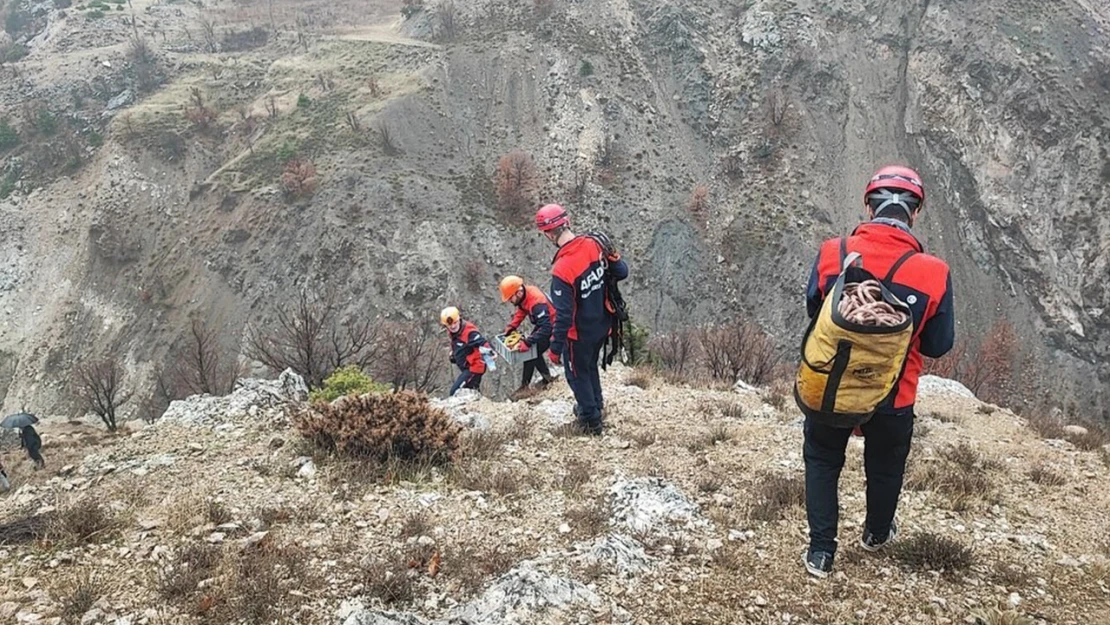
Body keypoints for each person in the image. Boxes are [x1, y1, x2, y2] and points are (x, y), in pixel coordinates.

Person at [800, 165, 955, 578]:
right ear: (915, 213)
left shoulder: (833, 252)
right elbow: (939, 345)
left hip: (833, 384)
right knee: (885, 465)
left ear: (868, 206)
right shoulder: (934, 272)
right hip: (894, 392)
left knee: (822, 458)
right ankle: (876, 534)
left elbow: (817, 312)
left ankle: (821, 552)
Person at [535, 204, 629, 435]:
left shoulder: (562, 269)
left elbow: (564, 316)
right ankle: (595, 404)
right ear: (568, 222)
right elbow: (622, 272)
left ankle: (591, 420)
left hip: (579, 334)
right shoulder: (594, 244)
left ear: (548, 233)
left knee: (576, 374)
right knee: (588, 367)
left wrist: (555, 349)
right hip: (602, 324)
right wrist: (614, 256)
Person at [499, 275, 557, 396]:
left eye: (510, 298)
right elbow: (522, 310)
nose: (510, 301)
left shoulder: (536, 302)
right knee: (533, 352)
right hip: (546, 325)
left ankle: (526, 386)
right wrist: (512, 326)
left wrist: (527, 342)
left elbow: (546, 328)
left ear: (518, 293)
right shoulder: (525, 295)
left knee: (530, 352)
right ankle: (547, 378)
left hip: (553, 327)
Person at [441, 306, 492, 397]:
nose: (453, 326)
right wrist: (454, 355)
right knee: (472, 389)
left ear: (459, 319)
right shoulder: (454, 332)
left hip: (474, 368)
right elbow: (459, 344)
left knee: (455, 392)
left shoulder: (469, 333)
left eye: (455, 323)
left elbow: (482, 342)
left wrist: (490, 352)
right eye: (450, 325)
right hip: (467, 367)